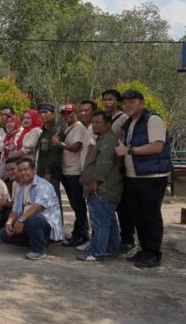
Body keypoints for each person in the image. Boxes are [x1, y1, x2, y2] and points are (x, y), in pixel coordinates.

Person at [115, 89, 172, 269]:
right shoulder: (130, 122)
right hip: (133, 176)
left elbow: (156, 147)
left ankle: (154, 253)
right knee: (137, 215)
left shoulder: (153, 120)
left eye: (132, 102)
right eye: (125, 103)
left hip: (152, 176)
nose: (128, 105)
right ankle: (144, 249)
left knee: (151, 215)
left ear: (142, 103)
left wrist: (129, 151)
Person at [78, 111, 123, 262]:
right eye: (93, 122)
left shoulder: (108, 140)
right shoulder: (103, 139)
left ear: (108, 124)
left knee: (100, 223)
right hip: (105, 188)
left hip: (103, 189)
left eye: (98, 122)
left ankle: (97, 252)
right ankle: (111, 249)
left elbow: (104, 163)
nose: (94, 125)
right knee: (108, 221)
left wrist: (94, 181)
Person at [0, 157, 64, 260]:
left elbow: (37, 207)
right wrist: (9, 222)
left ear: (34, 170)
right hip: (26, 222)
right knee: (3, 235)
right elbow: (15, 209)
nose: (22, 173)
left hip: (43, 224)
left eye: (25, 169)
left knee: (34, 220)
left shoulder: (44, 185)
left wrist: (21, 219)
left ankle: (38, 250)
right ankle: (37, 240)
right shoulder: (20, 186)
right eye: (20, 170)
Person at [52, 102, 89, 247]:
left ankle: (81, 234)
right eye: (65, 114)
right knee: (76, 205)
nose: (67, 116)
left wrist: (59, 143)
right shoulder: (68, 127)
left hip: (74, 171)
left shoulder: (79, 127)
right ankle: (80, 233)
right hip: (67, 170)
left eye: (70, 113)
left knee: (78, 205)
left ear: (76, 113)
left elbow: (76, 147)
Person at [101, 88, 134, 251]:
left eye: (111, 99)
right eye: (105, 100)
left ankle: (128, 239)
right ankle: (112, 239)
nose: (108, 103)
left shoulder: (124, 119)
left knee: (124, 205)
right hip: (109, 165)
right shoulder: (104, 118)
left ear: (118, 102)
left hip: (121, 165)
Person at [35, 103, 63, 210]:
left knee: (53, 201)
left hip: (51, 173)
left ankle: (57, 226)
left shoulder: (56, 129)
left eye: (45, 112)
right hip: (41, 170)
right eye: (40, 113)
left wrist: (48, 171)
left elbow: (55, 153)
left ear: (53, 114)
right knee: (44, 201)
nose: (43, 115)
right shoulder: (44, 130)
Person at [0, 114, 23, 178]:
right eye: (7, 122)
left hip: (18, 164)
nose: (9, 124)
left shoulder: (21, 133)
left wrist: (14, 146)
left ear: (16, 122)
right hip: (7, 163)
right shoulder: (7, 135)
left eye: (11, 122)